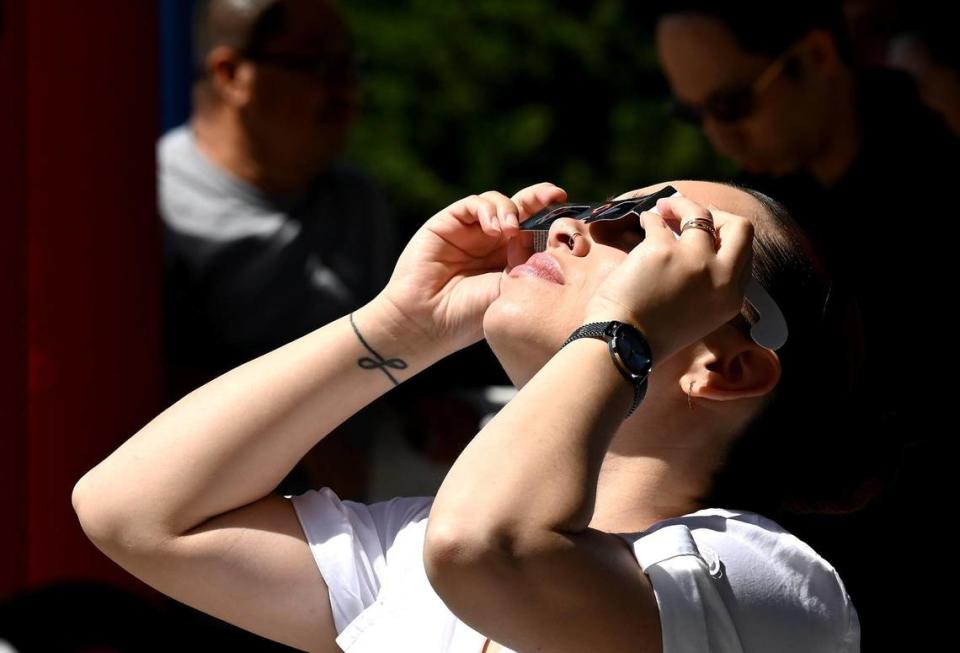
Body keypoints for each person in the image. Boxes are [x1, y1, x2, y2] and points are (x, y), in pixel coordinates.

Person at [73, 179, 866, 652]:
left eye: (649, 231)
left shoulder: (771, 584)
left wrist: (623, 331)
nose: (570, 226)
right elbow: (136, 511)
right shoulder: (410, 554)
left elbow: (487, 547)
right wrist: (399, 329)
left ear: (725, 366)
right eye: (598, 206)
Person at [161, 0, 396, 498]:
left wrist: (423, 404)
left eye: (351, 68)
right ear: (230, 74)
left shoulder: (360, 202)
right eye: (320, 66)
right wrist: (305, 437)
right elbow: (132, 386)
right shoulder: (152, 206)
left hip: (352, 527)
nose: (347, 91)